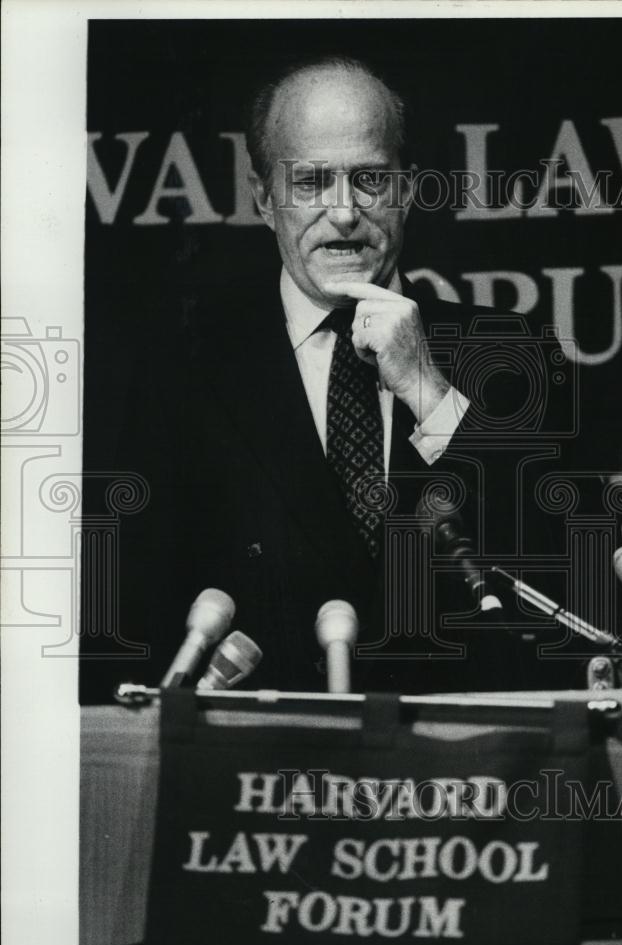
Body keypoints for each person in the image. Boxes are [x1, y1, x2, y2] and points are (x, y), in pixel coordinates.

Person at [81, 55, 575, 701]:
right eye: (313, 181)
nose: (344, 214)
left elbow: (565, 592)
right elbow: (129, 621)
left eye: (369, 179)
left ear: (406, 188)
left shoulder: (516, 355)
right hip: (258, 778)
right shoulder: (183, 371)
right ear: (264, 198)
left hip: (464, 777)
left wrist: (428, 389)